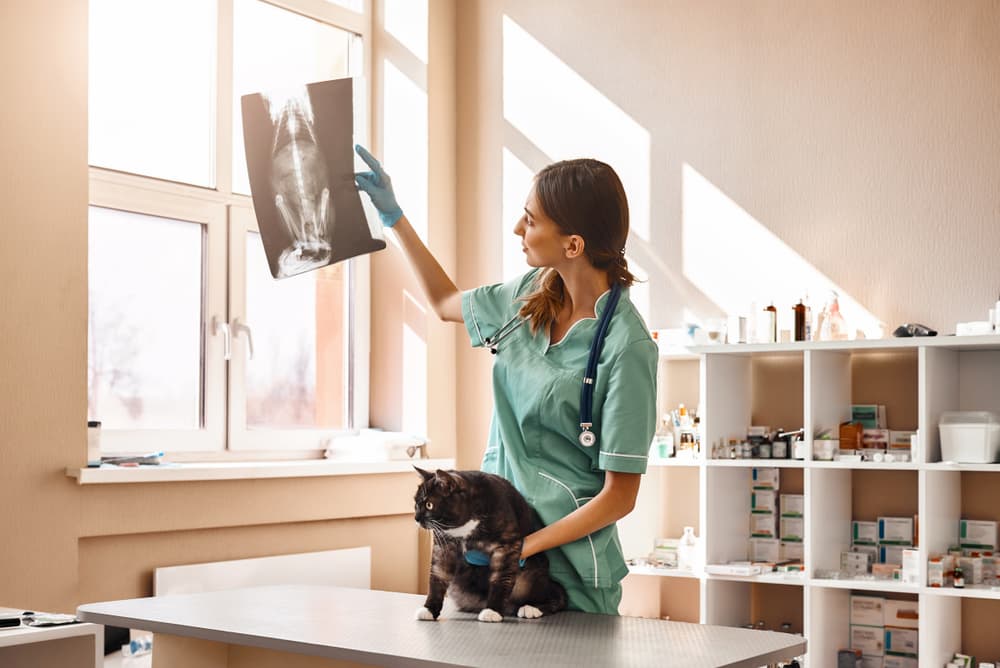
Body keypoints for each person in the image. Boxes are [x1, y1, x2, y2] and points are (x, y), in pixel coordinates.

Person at [354, 145, 657, 615]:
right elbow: (443, 302)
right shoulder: (526, 296)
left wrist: (526, 545)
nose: (519, 229)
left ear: (573, 244)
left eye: (531, 220)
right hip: (492, 555)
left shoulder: (627, 346)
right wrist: (393, 217)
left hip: (567, 572)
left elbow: (620, 496)